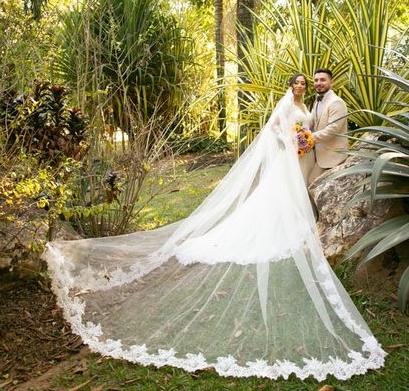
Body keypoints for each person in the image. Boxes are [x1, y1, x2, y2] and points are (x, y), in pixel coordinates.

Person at [43, 76, 385, 381]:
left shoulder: (312, 104)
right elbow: (275, 131)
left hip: (307, 156)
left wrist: (305, 139)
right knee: (278, 200)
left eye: (307, 83)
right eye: (300, 83)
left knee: (295, 198)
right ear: (292, 86)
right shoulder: (287, 105)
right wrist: (292, 141)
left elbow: (318, 129)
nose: (303, 87)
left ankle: (298, 223)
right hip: (292, 156)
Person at [308, 68, 349, 186]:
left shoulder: (336, 102)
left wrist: (309, 137)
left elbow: (333, 130)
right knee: (311, 185)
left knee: (312, 184)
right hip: (320, 155)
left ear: (331, 83)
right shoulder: (317, 101)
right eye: (316, 80)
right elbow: (314, 123)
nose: (318, 83)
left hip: (334, 156)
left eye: (322, 80)